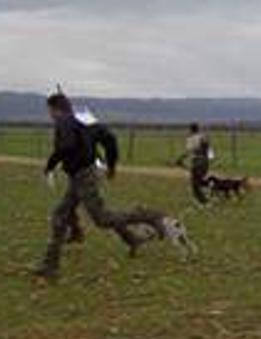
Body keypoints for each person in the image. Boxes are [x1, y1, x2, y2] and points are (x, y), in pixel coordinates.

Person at [33, 92, 165, 280]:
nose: (50, 115)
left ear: (54, 109)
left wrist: (50, 165)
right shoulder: (85, 121)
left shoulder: (64, 121)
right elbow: (110, 139)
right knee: (61, 214)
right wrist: (111, 165)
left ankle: (148, 216)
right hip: (83, 174)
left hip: (83, 176)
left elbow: (67, 146)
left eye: (50, 111)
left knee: (102, 218)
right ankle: (51, 266)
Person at [63, 119, 120, 243]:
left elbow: (110, 142)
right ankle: (76, 232)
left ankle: (138, 228)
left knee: (101, 217)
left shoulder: (86, 128)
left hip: (89, 172)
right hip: (80, 172)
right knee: (66, 208)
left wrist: (111, 167)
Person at [175, 123, 211, 205]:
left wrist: (180, 159)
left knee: (195, 184)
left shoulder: (191, 139)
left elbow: (189, 151)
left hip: (197, 162)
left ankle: (205, 202)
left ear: (191, 130)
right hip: (204, 161)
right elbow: (207, 149)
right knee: (200, 181)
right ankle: (213, 189)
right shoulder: (203, 137)